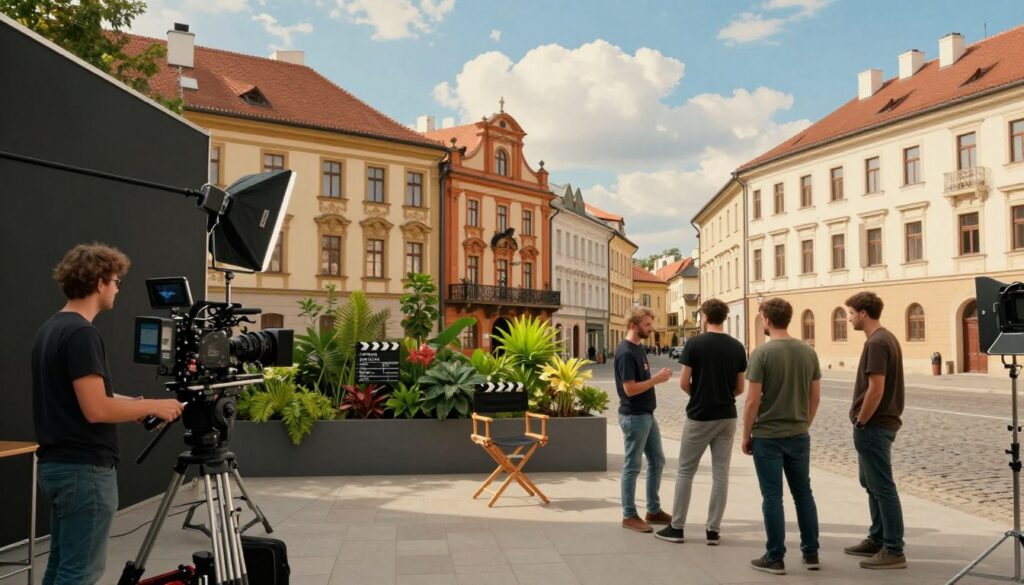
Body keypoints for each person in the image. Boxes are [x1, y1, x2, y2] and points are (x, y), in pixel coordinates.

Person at [32, 243, 185, 585]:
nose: (117, 288)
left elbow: (82, 395)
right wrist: (153, 405)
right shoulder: (83, 333)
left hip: (56, 467)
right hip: (84, 472)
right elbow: (96, 409)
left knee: (60, 567)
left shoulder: (51, 329)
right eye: (116, 281)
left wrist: (133, 406)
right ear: (100, 282)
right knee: (80, 574)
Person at [656, 299, 746, 545]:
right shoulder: (737, 347)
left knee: (685, 471)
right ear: (724, 317)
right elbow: (740, 387)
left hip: (700, 415)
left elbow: (684, 382)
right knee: (721, 474)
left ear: (704, 316)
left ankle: (677, 527)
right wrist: (722, 396)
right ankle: (713, 530)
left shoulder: (694, 344)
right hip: (727, 415)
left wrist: (700, 395)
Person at [742, 298, 821, 575]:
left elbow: (752, 401)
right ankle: (811, 553)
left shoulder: (761, 354)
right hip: (799, 433)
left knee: (772, 497)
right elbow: (815, 396)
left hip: (768, 435)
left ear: (766, 319)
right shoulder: (807, 352)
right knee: (804, 493)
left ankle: (775, 556)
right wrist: (805, 423)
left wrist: (745, 434)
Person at [843, 291, 908, 569]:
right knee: (870, 484)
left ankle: (893, 548)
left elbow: (876, 388)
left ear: (863, 314)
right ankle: (878, 536)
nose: (848, 319)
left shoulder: (877, 342)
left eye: (850, 314)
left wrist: (861, 420)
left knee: (882, 486)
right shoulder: (884, 338)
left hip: (875, 424)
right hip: (879, 423)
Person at [615, 307, 673, 532]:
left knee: (657, 461)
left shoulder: (638, 348)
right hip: (634, 416)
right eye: (647, 325)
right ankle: (629, 515)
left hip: (647, 414)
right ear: (633, 325)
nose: (652, 328)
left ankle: (653, 510)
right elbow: (629, 389)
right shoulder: (626, 352)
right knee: (632, 466)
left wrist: (655, 379)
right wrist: (656, 380)